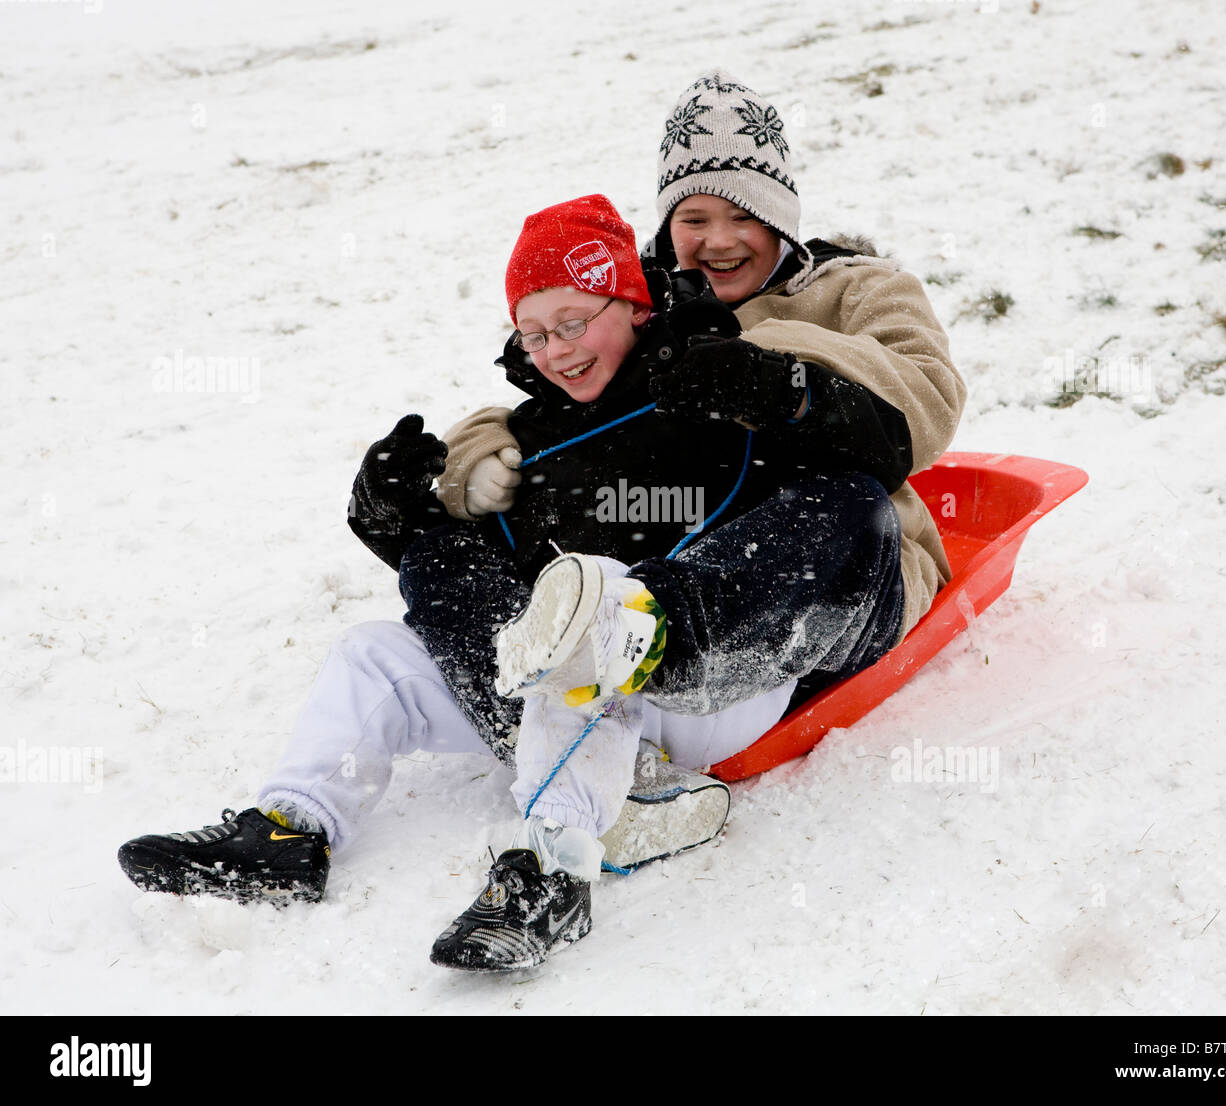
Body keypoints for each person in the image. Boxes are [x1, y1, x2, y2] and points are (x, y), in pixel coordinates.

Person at [116, 194, 905, 973]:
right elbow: (480, 597)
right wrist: (392, 518)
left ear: (632, 303)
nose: (557, 350)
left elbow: (859, 479)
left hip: (713, 674)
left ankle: (551, 870)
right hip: (575, 699)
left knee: (607, 601)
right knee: (379, 651)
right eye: (535, 333)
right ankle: (290, 832)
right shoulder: (529, 446)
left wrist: (784, 397)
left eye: (574, 321)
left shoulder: (712, 372)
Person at [438, 70, 966, 713]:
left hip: (833, 583)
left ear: (781, 218)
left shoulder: (858, 288)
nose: (718, 240)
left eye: (744, 215)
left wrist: (768, 363)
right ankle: (556, 681)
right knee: (455, 552)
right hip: (672, 553)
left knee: (843, 503)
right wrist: (477, 445)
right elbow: (561, 387)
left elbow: (930, 402)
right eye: (694, 217)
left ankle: (649, 642)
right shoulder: (642, 305)